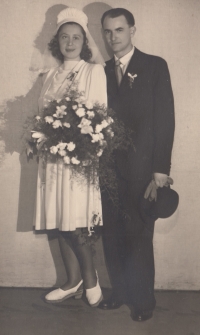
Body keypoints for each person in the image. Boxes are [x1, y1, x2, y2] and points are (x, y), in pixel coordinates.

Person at [99, 8, 175, 321]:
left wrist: (160, 171)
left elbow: (165, 119)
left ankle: (143, 301)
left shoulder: (155, 66)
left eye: (118, 30)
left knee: (140, 236)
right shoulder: (99, 71)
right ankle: (119, 291)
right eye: (107, 31)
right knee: (112, 233)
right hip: (108, 170)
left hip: (143, 170)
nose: (112, 37)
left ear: (132, 29)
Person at [33, 7, 107, 307]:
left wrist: (81, 144)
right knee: (57, 218)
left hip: (79, 159)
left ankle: (90, 278)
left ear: (84, 41)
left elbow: (99, 114)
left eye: (76, 37)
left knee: (75, 220)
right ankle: (71, 281)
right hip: (51, 159)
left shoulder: (93, 70)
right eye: (65, 37)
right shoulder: (49, 74)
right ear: (57, 41)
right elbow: (42, 117)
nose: (70, 42)